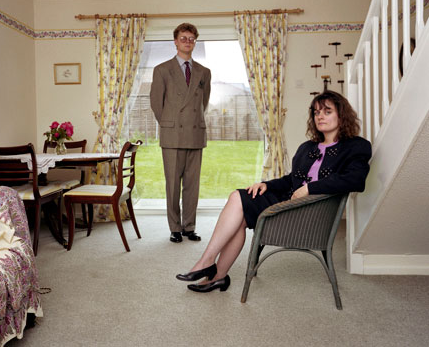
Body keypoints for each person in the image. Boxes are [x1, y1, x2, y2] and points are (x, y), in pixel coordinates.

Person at [176, 90, 372, 293]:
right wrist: (267, 185)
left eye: (327, 111)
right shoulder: (308, 147)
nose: (320, 116)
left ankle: (210, 267)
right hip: (287, 202)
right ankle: (216, 274)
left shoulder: (357, 147)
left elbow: (355, 180)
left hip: (311, 215)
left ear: (342, 114)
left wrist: (310, 188)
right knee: (238, 200)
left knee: (240, 211)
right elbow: (291, 180)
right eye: (316, 112)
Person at [150, 23, 211, 243]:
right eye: (183, 38)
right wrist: (171, 123)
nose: (187, 42)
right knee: (173, 184)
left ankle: (189, 227)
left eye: (191, 39)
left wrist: (191, 120)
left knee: (192, 185)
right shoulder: (162, 69)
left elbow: (203, 102)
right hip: (172, 134)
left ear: (195, 42)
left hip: (195, 133)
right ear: (175, 41)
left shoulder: (204, 72)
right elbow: (157, 104)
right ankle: (175, 228)